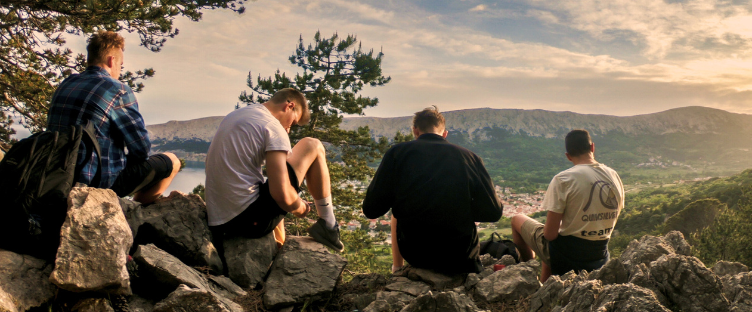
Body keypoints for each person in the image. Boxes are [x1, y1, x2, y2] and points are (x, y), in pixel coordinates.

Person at [363, 106, 503, 274]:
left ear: (415, 131)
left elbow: (371, 209)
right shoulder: (470, 158)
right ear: (445, 134)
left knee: (396, 214)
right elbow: (493, 213)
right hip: (460, 255)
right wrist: (461, 209)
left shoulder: (397, 154)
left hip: (416, 254)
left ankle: (397, 267)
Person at [46, 30, 180, 205]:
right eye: (120, 66)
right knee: (173, 161)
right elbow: (141, 149)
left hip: (56, 180)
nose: (119, 71)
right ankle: (138, 211)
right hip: (97, 184)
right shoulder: (117, 90)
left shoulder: (67, 83)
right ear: (111, 60)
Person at [205, 88, 344, 253]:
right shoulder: (272, 126)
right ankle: (328, 224)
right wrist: (300, 208)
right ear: (289, 106)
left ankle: (280, 241)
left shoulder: (238, 115)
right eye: (293, 122)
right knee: (312, 145)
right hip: (246, 221)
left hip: (218, 221)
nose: (289, 129)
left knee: (275, 179)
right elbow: (281, 195)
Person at [511, 129, 624, 282]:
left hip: (568, 255)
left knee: (517, 219)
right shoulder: (613, 175)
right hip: (599, 255)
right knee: (554, 240)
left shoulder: (563, 179)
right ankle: (545, 285)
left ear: (568, 156)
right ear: (592, 147)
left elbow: (549, 235)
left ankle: (529, 277)